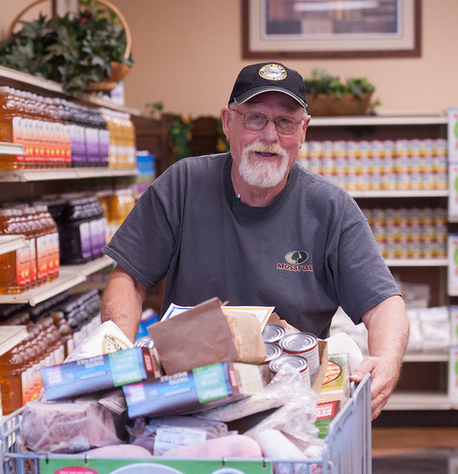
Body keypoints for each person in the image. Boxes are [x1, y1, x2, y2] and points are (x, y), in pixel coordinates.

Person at [101, 62, 408, 419]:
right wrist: (117, 354)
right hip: (187, 399)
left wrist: (385, 361)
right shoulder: (183, 185)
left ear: (303, 130)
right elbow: (129, 278)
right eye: (255, 118)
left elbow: (384, 303)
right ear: (228, 122)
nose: (270, 135)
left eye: (285, 122)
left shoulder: (331, 208)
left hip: (292, 406)